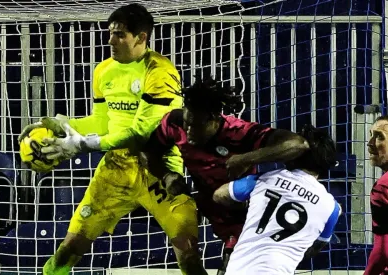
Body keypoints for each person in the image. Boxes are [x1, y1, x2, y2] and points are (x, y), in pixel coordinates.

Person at [18, 4, 207, 275]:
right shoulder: (104, 70)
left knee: (188, 254)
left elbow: (140, 134)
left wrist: (81, 144)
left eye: (119, 35)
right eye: (110, 34)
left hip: (156, 167)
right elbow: (103, 121)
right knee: (69, 248)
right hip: (115, 169)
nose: (111, 41)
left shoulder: (161, 72)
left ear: (141, 37)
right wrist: (63, 124)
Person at [141, 76, 311, 274]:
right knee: (187, 261)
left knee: (231, 269)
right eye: (187, 124)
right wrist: (166, 175)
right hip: (202, 203)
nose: (189, 132)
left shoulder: (239, 133)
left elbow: (298, 144)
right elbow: (147, 153)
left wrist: (245, 159)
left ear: (214, 119)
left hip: (240, 217)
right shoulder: (174, 122)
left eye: (196, 126)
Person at [213, 124, 341, 274]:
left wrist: (249, 207)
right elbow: (314, 248)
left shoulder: (265, 179)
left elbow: (219, 195)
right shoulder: (332, 208)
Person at [365, 115, 388, 274]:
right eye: (371, 135)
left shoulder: (383, 187)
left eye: (379, 136)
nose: (370, 143)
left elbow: (382, 251)